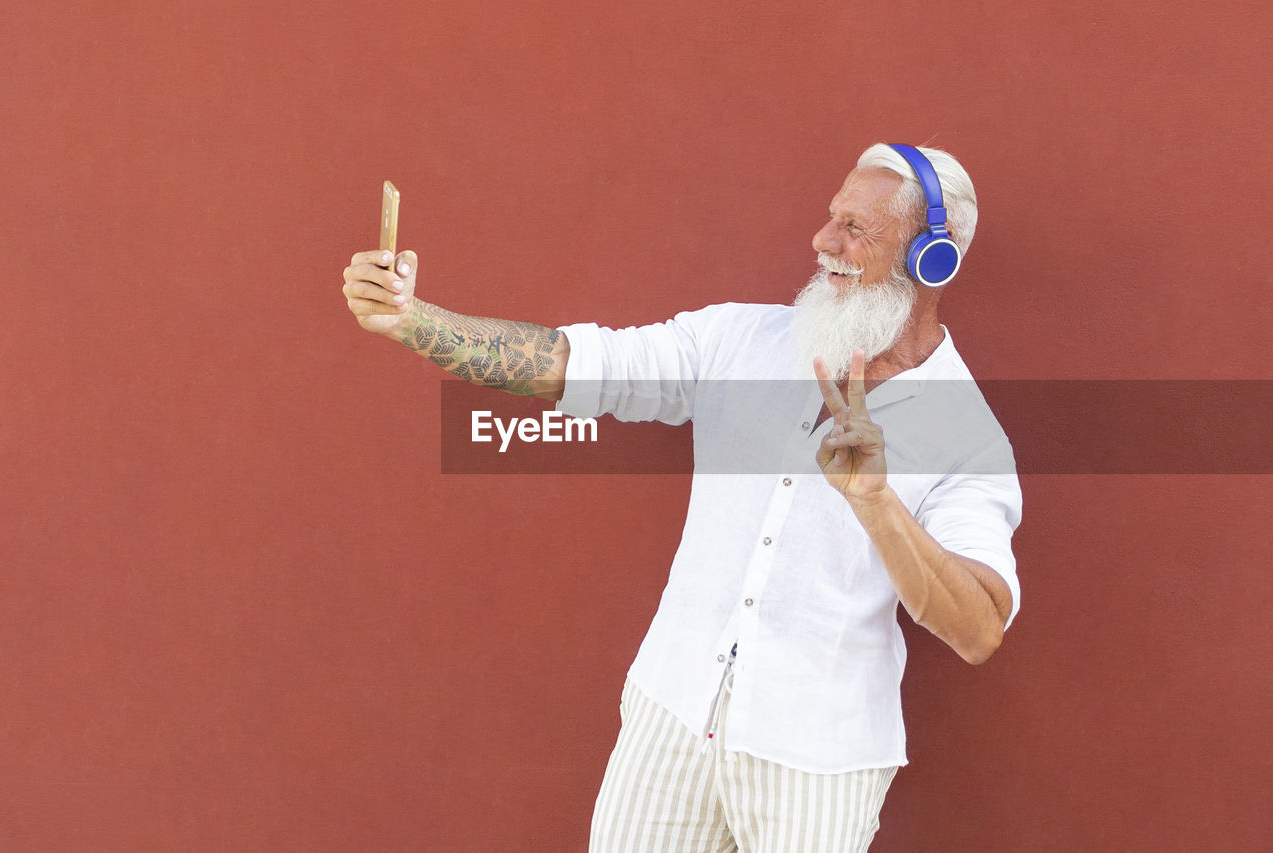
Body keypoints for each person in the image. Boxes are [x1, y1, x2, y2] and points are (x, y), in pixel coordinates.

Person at [341, 143, 1021, 853]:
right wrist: (415, 322)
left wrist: (877, 502)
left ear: (930, 260)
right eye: (830, 217)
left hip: (819, 757)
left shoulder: (966, 435)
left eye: (857, 228)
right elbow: (577, 364)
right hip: (671, 710)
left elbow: (978, 629)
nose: (824, 241)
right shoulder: (737, 340)